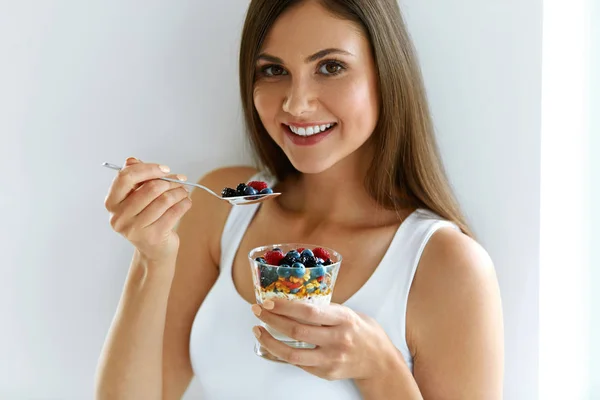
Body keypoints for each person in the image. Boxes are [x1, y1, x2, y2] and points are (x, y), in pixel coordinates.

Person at [95, 0, 504, 399]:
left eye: (330, 67)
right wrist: (152, 258)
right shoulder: (223, 208)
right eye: (274, 70)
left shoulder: (447, 266)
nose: (296, 103)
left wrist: (380, 368)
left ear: (386, 73)